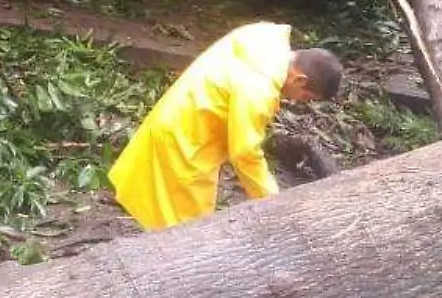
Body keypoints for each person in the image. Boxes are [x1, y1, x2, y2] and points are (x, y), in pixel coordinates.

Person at [108, 21, 344, 232]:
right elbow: (245, 152)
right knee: (185, 233)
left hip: (180, 121)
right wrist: (274, 203)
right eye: (306, 97)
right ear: (300, 80)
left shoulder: (266, 38)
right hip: (184, 146)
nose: (297, 101)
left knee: (178, 223)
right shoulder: (258, 87)